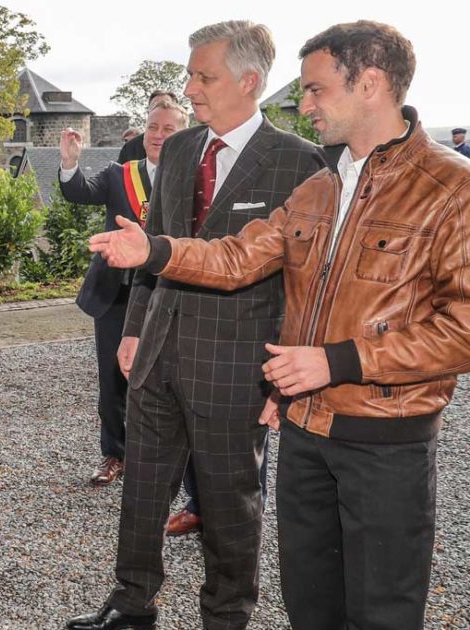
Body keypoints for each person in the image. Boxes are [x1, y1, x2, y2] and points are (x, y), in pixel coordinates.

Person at [89, 21, 470, 630]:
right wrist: (154, 251)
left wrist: (335, 361)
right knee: (310, 607)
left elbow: (463, 327)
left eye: (316, 89)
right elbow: (241, 258)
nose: (304, 103)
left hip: (385, 439)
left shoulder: (450, 188)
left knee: (382, 612)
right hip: (305, 429)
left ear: (370, 83)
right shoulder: (321, 187)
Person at [63, 20, 324, 630]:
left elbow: (306, 282)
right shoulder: (179, 149)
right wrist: (133, 329)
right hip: (158, 348)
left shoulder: (299, 161)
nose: (190, 88)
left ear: (249, 80)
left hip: (238, 364)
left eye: (203, 77)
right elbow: (152, 248)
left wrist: (284, 376)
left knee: (230, 502)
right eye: (190, 75)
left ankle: (226, 616)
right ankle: (132, 604)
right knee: (143, 488)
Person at [57, 100, 190, 486]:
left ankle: (163, 458)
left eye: (168, 129)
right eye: (153, 127)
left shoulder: (193, 179)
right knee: (113, 378)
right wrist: (69, 162)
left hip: (169, 292)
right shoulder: (120, 174)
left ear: (184, 134)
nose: (159, 135)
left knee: (168, 379)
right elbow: (80, 191)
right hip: (117, 294)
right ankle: (115, 454)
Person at [117, 92, 179, 163]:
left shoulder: (187, 145)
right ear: (148, 112)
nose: (160, 111)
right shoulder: (131, 148)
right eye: (155, 107)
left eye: (165, 106)